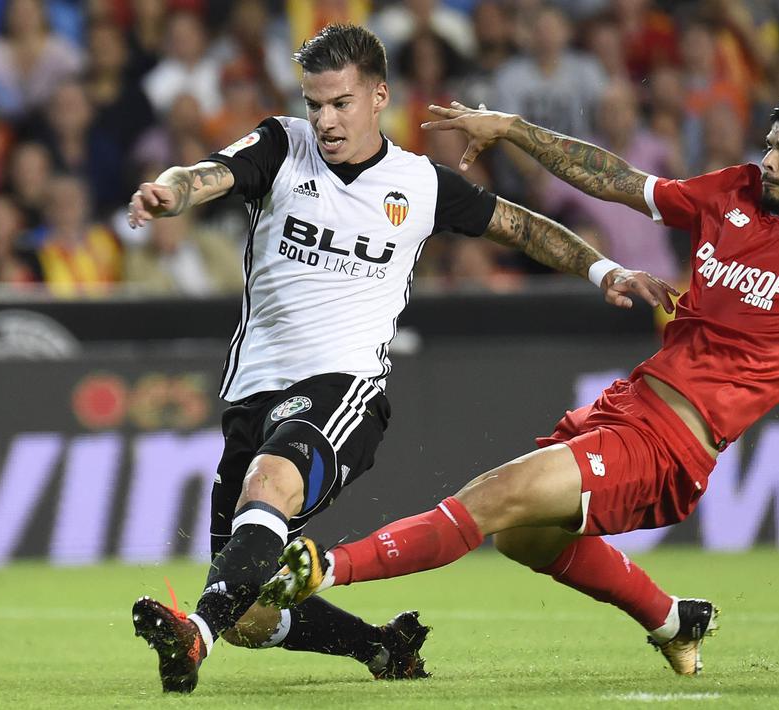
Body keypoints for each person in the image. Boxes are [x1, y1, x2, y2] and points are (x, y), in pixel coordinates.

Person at [262, 96, 779, 678]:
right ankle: (673, 619)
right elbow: (616, 179)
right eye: (768, 145)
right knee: (523, 537)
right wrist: (510, 128)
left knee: (495, 497)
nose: (767, 160)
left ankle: (319, 569)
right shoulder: (729, 193)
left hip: (673, 443)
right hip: (627, 403)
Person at [124, 24, 673, 694]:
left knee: (269, 483)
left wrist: (602, 271)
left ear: (379, 96)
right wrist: (168, 191)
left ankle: (194, 636)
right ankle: (381, 648)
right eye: (315, 103)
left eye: (340, 103)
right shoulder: (280, 144)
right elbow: (208, 173)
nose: (324, 120)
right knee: (247, 606)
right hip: (254, 393)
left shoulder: (418, 183)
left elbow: (521, 225)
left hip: (343, 386)